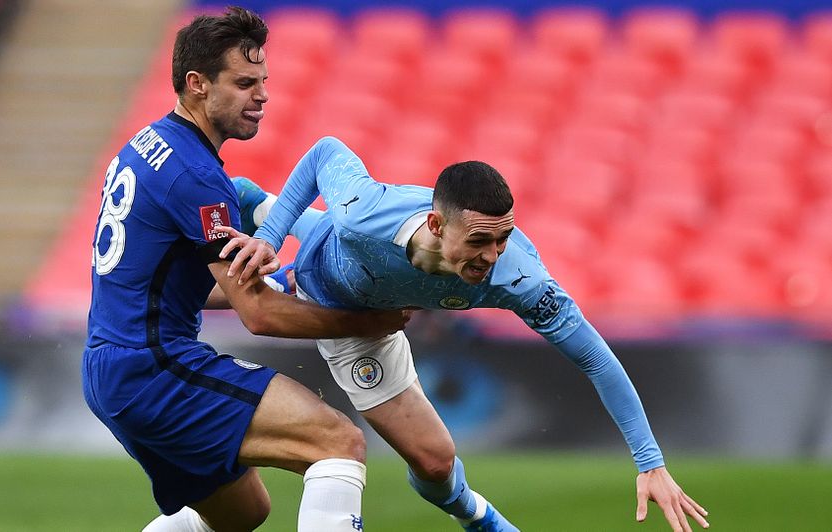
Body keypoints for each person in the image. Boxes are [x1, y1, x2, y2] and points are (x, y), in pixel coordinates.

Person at [228, 136, 711, 532]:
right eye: (479, 240)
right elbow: (325, 152)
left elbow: (596, 359)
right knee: (228, 289)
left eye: (503, 238)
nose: (493, 255)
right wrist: (269, 240)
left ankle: (478, 518)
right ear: (437, 225)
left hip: (367, 326)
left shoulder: (520, 280)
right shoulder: (366, 210)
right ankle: (250, 215)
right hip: (326, 268)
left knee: (436, 465)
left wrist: (650, 463)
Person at [83, 10, 412, 532]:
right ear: (197, 85)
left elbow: (171, 282)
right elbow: (258, 315)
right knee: (337, 442)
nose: (262, 97)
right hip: (154, 368)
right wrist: (372, 322)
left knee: (243, 513)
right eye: (243, 83)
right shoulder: (197, 176)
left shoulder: (145, 145)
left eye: (263, 83)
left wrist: (282, 283)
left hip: (109, 367)